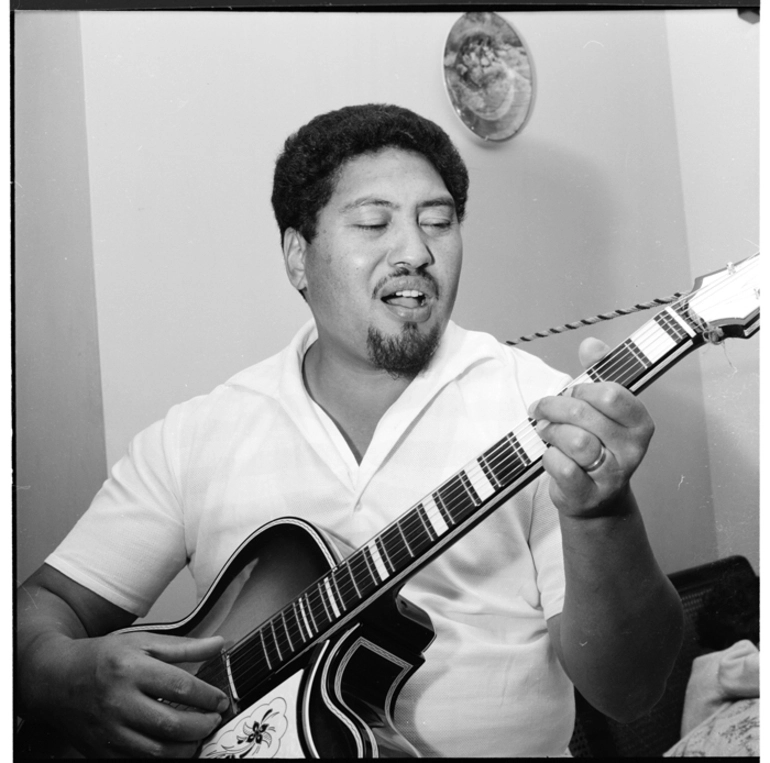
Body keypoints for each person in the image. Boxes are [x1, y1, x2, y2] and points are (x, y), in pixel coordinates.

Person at [16, 103, 684, 758]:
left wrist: (602, 513)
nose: (417, 251)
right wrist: (58, 672)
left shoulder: (536, 404)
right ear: (298, 256)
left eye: (439, 222)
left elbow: (631, 689)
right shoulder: (196, 435)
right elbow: (44, 604)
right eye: (373, 222)